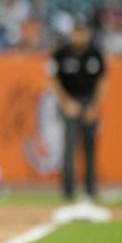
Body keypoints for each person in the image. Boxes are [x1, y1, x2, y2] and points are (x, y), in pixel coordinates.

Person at [48, 14, 107, 201]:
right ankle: (68, 190)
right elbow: (53, 80)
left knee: (90, 146)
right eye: (77, 31)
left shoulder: (95, 54)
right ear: (72, 33)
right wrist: (66, 103)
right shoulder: (61, 53)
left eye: (83, 31)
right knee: (69, 146)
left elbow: (102, 81)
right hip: (70, 102)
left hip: (89, 101)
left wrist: (95, 106)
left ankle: (91, 188)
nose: (80, 35)